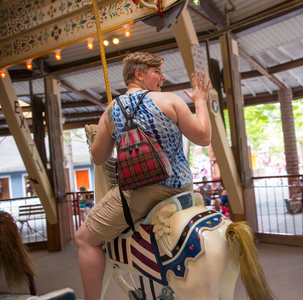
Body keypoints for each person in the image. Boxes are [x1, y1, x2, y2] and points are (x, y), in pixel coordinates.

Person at [75, 52, 211, 300]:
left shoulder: (112, 110)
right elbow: (203, 136)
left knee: (83, 238)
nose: (163, 77)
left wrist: (104, 126)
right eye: (157, 72)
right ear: (139, 74)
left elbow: (99, 158)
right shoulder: (171, 100)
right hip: (183, 187)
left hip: (141, 192)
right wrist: (200, 101)